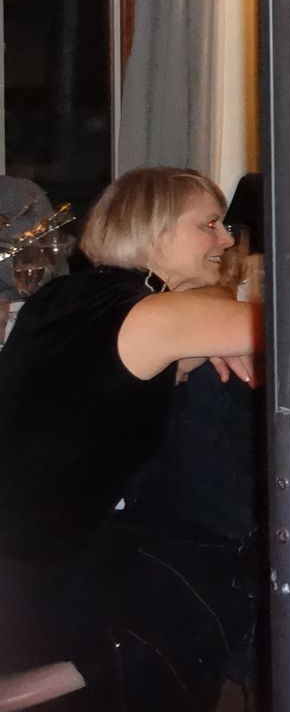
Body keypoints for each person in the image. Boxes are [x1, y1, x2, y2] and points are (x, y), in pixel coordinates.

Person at [0, 167, 259, 710]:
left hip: (24, 547)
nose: (226, 239)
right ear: (155, 231)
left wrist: (201, 331)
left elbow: (109, 377)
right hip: (45, 563)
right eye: (208, 224)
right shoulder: (156, 314)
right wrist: (212, 319)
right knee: (229, 578)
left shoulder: (64, 296)